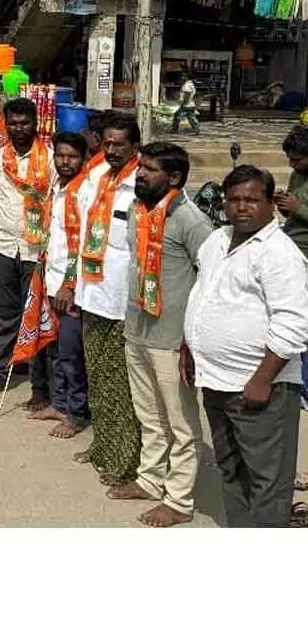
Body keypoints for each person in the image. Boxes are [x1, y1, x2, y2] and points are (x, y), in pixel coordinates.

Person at [185, 165, 308, 527]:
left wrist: (262, 379)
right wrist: (189, 347)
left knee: (267, 482)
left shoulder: (279, 253)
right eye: (234, 199)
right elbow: (203, 295)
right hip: (216, 381)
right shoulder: (217, 240)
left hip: (260, 388)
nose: (241, 207)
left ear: (271, 204)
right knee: (231, 470)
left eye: (252, 200)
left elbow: (293, 322)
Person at [105, 141, 213, 527]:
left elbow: (211, 277)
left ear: (175, 177)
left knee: (181, 422)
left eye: (150, 169)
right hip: (138, 327)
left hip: (172, 338)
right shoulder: (139, 209)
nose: (140, 174)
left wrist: (192, 339)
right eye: (141, 167)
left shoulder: (191, 220)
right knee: (148, 412)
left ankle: (179, 500)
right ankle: (150, 479)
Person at [73, 112, 142, 486]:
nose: (112, 150)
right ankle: (103, 446)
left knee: (120, 384)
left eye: (120, 144)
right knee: (97, 377)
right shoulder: (96, 176)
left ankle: (124, 460)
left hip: (122, 301)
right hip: (92, 294)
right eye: (108, 143)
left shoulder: (141, 184)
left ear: (135, 146)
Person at [0, 99, 53, 402]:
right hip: (3, 246)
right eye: (13, 124)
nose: (19, 129)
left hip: (36, 249)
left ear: (35, 123)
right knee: (5, 314)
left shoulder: (50, 159)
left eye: (25, 123)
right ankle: (2, 371)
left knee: (36, 315)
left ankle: (40, 385)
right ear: (6, 125)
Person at [34, 132, 93, 440]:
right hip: (52, 279)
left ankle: (77, 413)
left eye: (72, 157)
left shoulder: (85, 192)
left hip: (72, 287)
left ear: (84, 159)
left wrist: (70, 286)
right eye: (60, 155)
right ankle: (59, 403)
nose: (65, 162)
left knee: (71, 353)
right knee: (54, 349)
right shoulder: (57, 187)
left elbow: (83, 244)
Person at [273, 124, 308, 410]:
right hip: (293, 250)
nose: (291, 164)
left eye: (297, 159)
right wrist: (286, 207)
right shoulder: (298, 175)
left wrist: (299, 209)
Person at [170, 70, 200, 135]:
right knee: (190, 117)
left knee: (177, 115)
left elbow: (187, 95)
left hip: (187, 105)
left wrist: (183, 103)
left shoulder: (187, 85)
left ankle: (175, 130)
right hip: (191, 104)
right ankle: (196, 129)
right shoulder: (191, 84)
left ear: (186, 76)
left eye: (183, 75)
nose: (182, 77)